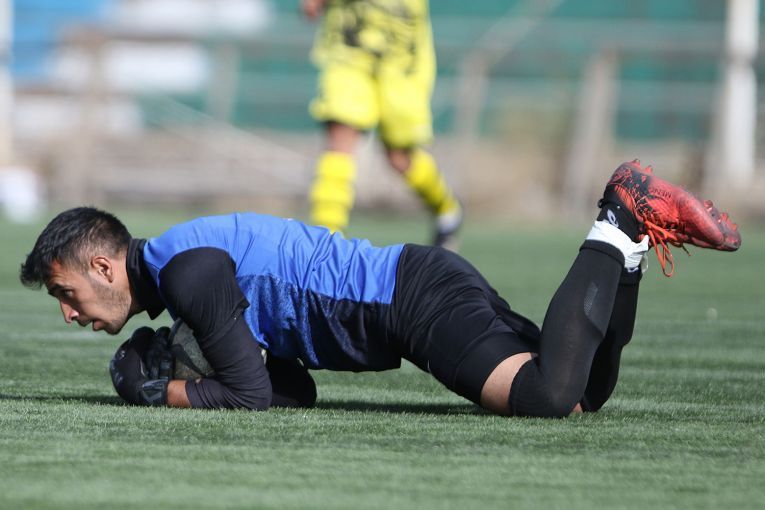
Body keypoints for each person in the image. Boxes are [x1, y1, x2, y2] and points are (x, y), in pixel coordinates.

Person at [19, 161, 741, 416]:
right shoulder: (182, 269)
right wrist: (192, 373)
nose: (68, 313)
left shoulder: (186, 271)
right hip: (417, 282)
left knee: (548, 397)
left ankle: (619, 214)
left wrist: (160, 392)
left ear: (103, 268)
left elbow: (246, 396)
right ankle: (631, 244)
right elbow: (293, 391)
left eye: (65, 293)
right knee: (585, 393)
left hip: (411, 301)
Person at [301, 0, 463, 249]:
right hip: (349, 49)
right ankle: (326, 243)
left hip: (401, 51)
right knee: (340, 139)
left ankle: (447, 210)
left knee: (399, 156)